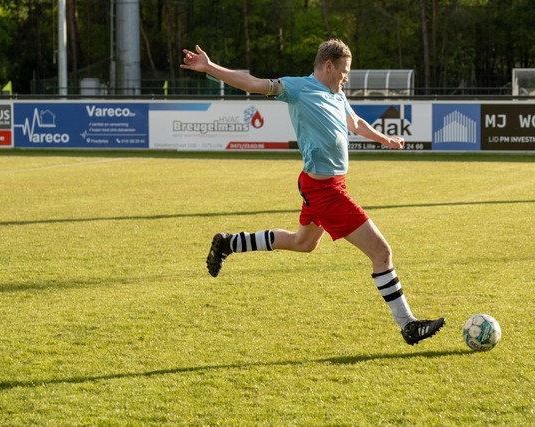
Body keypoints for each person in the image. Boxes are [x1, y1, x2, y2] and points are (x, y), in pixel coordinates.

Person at [180, 39, 445, 345]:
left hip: (326, 185)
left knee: (302, 243)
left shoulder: (338, 93)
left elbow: (355, 122)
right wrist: (210, 67)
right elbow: (253, 84)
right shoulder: (297, 88)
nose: (346, 77)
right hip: (324, 191)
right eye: (344, 71)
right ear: (328, 66)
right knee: (381, 252)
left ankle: (229, 243)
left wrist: (384, 139)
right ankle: (408, 325)